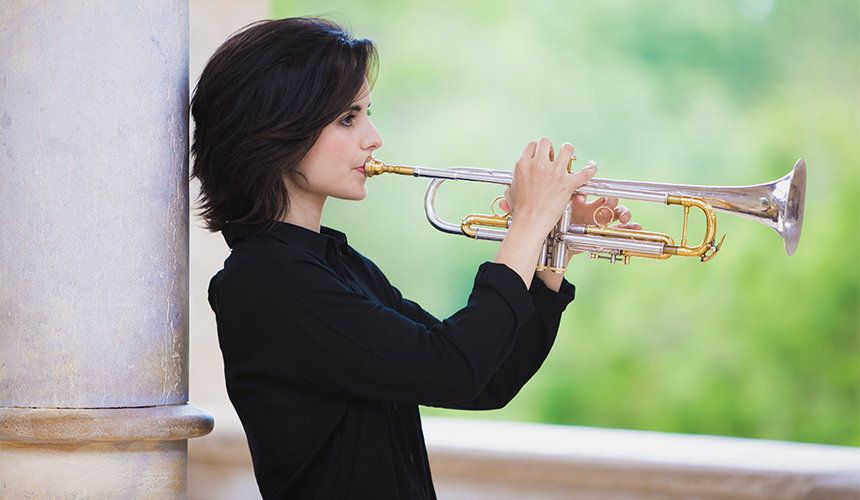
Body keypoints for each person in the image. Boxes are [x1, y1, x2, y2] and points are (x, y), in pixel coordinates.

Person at [191, 17, 638, 500]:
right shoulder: (264, 281)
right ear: (277, 129)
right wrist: (527, 223)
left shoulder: (338, 265)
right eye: (348, 118)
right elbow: (452, 367)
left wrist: (549, 248)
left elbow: (487, 380)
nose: (374, 137)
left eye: (367, 113)